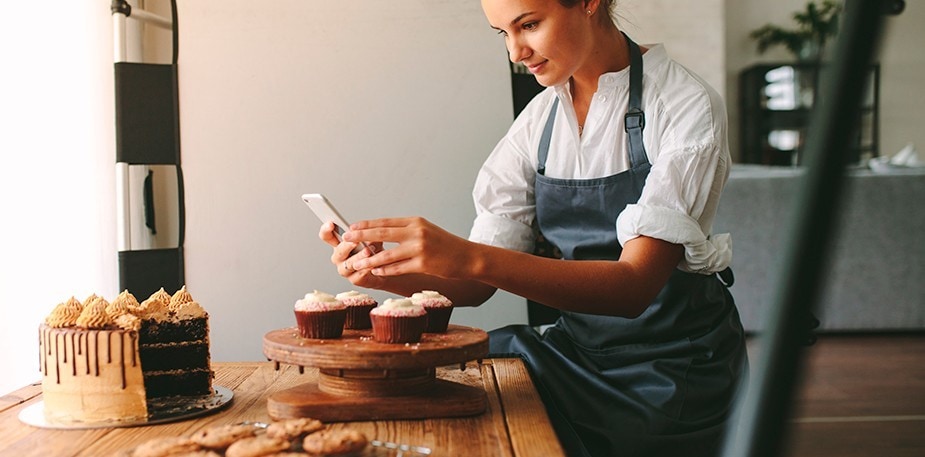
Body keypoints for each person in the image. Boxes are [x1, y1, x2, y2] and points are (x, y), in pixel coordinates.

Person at [319, 0, 747, 455]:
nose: (515, 52)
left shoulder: (685, 105)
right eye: (502, 33)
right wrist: (386, 271)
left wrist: (465, 254)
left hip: (670, 371)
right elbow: (475, 285)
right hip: (575, 351)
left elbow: (633, 288)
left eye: (529, 25)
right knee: (436, 384)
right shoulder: (539, 121)